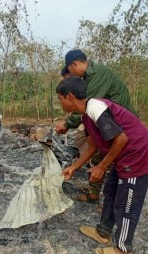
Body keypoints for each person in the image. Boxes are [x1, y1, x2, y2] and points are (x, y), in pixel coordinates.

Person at [56, 76, 148, 254]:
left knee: (126, 203)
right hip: (121, 157)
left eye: (60, 98)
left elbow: (121, 139)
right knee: (110, 192)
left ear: (69, 96)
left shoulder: (96, 107)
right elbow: (92, 145)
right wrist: (73, 167)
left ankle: (123, 250)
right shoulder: (86, 116)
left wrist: (101, 166)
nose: (59, 102)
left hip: (136, 156)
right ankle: (103, 232)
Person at [55, 49, 137, 204]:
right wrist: (73, 168)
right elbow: (92, 142)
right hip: (108, 124)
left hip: (119, 126)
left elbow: (83, 104)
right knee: (94, 150)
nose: (70, 75)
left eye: (69, 71)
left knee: (114, 162)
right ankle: (96, 194)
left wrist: (67, 123)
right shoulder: (90, 80)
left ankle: (114, 200)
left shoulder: (97, 77)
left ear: (74, 64)